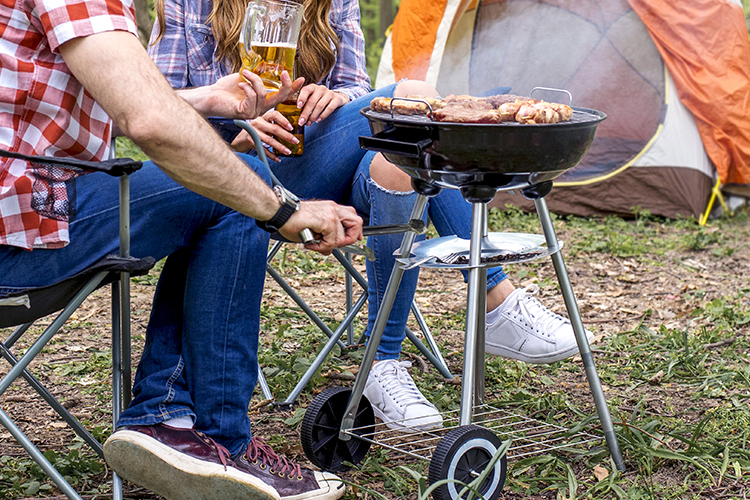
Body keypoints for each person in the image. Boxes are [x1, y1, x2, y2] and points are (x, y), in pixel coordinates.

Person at [149, 0, 592, 433]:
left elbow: (357, 85)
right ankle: (496, 300)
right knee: (414, 96)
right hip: (237, 172)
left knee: (398, 165)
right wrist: (237, 133)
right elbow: (156, 102)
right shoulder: (189, 4)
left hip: (325, 161)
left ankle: (384, 365)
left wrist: (336, 96)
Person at [0, 0, 363, 499]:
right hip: (19, 232)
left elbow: (118, 102)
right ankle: (215, 440)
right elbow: (146, 119)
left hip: (24, 207)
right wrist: (281, 210)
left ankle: (165, 413)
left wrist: (209, 97)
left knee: (222, 186)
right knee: (237, 191)